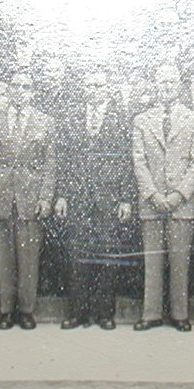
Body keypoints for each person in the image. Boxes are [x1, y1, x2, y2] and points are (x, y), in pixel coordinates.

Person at [55, 66, 134, 330]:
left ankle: (104, 313)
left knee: (108, 255)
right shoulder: (72, 116)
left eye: (99, 85)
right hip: (78, 195)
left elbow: (128, 160)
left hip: (108, 197)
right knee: (77, 255)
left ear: (108, 89)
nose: (94, 90)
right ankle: (78, 312)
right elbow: (64, 159)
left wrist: (125, 198)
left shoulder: (121, 118)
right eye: (90, 85)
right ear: (83, 88)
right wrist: (62, 195)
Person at [0, 69, 56, 329]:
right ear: (8, 90)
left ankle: (26, 310)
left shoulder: (45, 121)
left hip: (29, 196)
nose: (20, 91)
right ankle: (5, 310)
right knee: (3, 255)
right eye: (15, 86)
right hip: (0, 193)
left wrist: (45, 198)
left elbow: (50, 164)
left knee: (28, 256)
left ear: (32, 93)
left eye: (25, 87)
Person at [132, 63, 194, 331]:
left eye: (171, 82)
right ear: (155, 85)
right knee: (152, 260)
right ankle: (150, 313)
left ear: (180, 85)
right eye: (162, 82)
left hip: (181, 203)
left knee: (179, 261)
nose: (167, 87)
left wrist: (178, 195)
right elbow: (139, 162)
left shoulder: (193, 119)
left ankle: (180, 314)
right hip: (151, 201)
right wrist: (153, 194)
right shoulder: (141, 120)